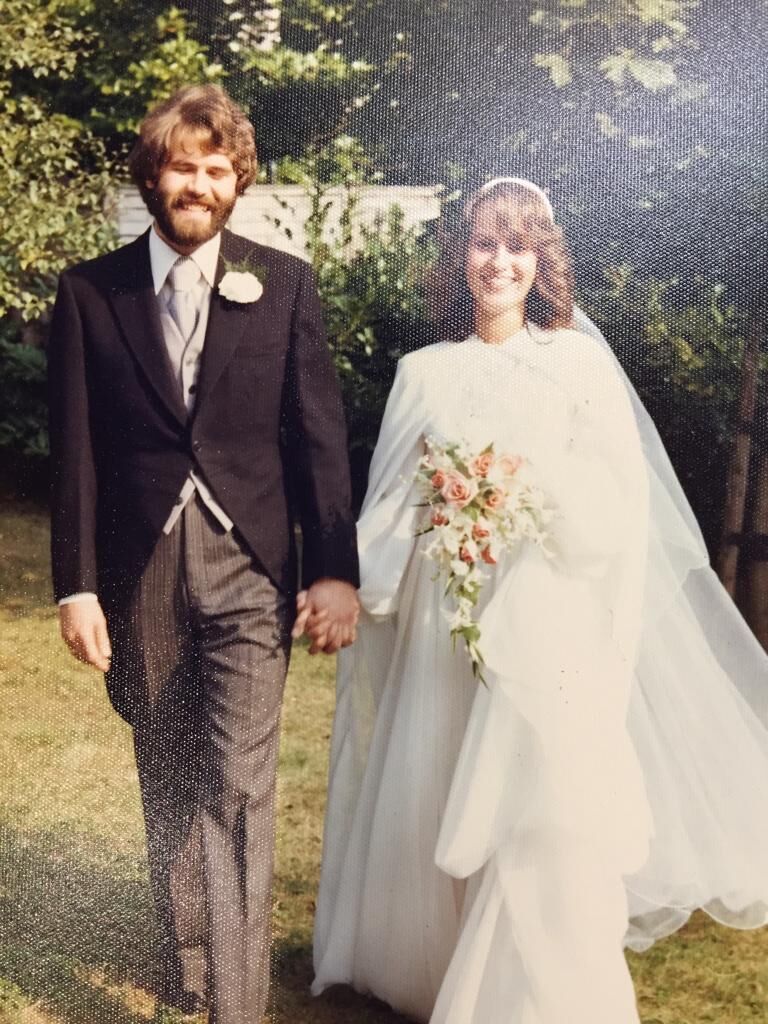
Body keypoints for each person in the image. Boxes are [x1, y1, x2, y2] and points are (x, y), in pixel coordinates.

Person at [311, 178, 768, 1023]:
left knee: (531, 810)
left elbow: (619, 509)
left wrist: (526, 499)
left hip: (546, 624)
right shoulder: (423, 372)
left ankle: (523, 983)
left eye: (518, 246)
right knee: (435, 779)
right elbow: (390, 510)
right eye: (485, 243)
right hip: (445, 628)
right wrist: (353, 583)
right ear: (462, 256)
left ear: (542, 261)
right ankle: (428, 964)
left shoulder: (581, 367)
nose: (500, 262)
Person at [47, 84, 359, 1024]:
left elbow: (318, 437)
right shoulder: (90, 292)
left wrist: (332, 567)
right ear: (155, 174)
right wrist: (75, 587)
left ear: (238, 182)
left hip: (249, 567)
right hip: (137, 568)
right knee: (169, 770)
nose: (200, 184)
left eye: (217, 170)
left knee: (238, 782)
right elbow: (77, 452)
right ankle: (186, 967)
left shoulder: (284, 283)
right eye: (184, 166)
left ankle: (237, 1003)